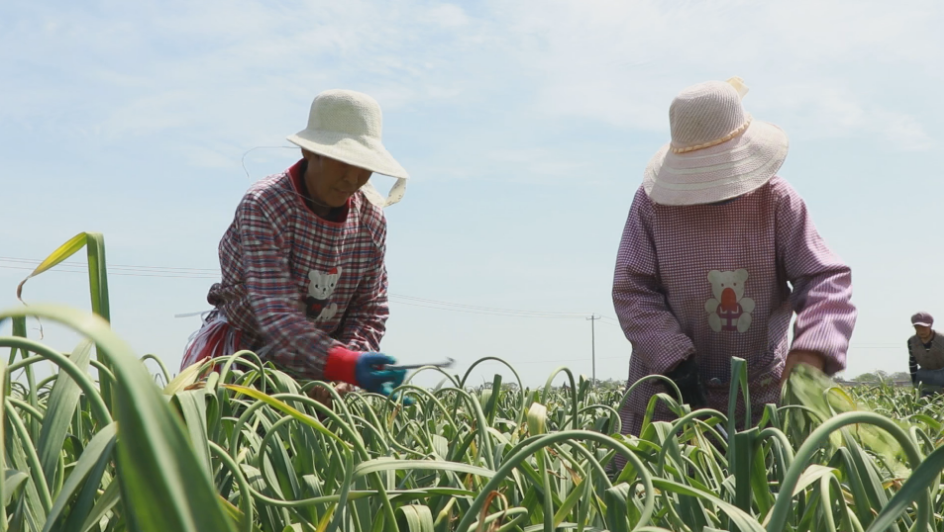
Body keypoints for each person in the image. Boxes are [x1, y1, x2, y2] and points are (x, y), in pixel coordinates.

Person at [611, 77, 857, 447]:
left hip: (759, 393)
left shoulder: (775, 200)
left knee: (758, 494)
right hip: (667, 395)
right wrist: (675, 363)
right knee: (658, 493)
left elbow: (823, 277)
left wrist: (811, 351)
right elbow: (633, 290)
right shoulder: (652, 205)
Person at [180, 89, 410, 398]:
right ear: (309, 152)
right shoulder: (265, 205)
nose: (353, 178)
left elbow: (369, 307)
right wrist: (342, 362)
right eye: (343, 162)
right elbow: (276, 314)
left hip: (324, 369)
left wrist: (351, 365)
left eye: (363, 166)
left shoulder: (370, 221)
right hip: (244, 360)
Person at [907, 312, 944, 395]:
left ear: (930, 325)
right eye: (917, 327)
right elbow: (912, 363)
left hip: (942, 373)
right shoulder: (911, 341)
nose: (921, 331)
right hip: (924, 374)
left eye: (924, 327)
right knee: (923, 402)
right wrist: (915, 384)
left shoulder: (942, 339)